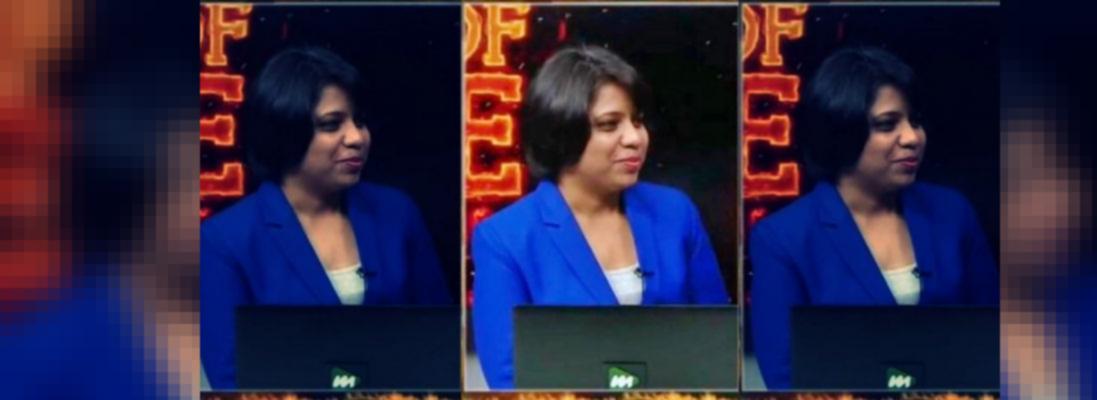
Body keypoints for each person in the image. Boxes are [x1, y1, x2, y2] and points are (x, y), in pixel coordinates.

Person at [471, 45, 730, 389]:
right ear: (562, 133)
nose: (635, 138)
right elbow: (509, 378)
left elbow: (718, 346)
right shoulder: (505, 238)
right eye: (610, 125)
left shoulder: (676, 213)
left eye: (637, 121)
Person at [200, 46, 451, 389]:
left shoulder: (397, 213)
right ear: (286, 132)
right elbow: (231, 379)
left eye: (359, 121)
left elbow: (438, 343)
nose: (357, 138)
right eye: (332, 125)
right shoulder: (224, 241)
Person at [749, 46, 999, 389]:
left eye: (915, 121)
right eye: (887, 125)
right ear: (842, 132)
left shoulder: (953, 213)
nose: (912, 138)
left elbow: (995, 339)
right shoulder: (783, 238)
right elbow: (784, 375)